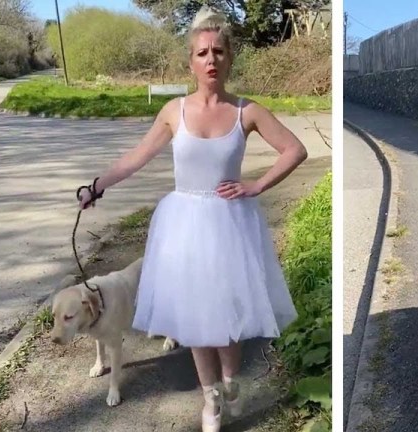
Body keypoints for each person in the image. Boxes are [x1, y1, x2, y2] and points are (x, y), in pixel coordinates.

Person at [76, 6, 308, 431]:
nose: (211, 59)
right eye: (202, 52)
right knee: (196, 321)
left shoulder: (247, 111)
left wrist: (257, 185)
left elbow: (295, 150)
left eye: (219, 51)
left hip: (230, 227)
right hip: (182, 226)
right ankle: (211, 402)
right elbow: (136, 158)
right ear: (191, 61)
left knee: (227, 324)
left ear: (230, 58)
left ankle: (231, 381)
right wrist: (97, 186)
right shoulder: (174, 111)